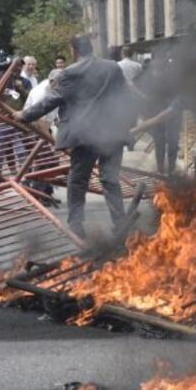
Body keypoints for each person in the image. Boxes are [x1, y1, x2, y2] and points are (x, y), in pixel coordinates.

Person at [16, 34, 135, 238]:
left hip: (86, 135)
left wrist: (24, 115)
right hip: (113, 132)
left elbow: (51, 100)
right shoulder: (112, 67)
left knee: (78, 180)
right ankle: (120, 221)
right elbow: (125, 96)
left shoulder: (71, 73)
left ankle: (76, 224)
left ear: (74, 50)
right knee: (110, 179)